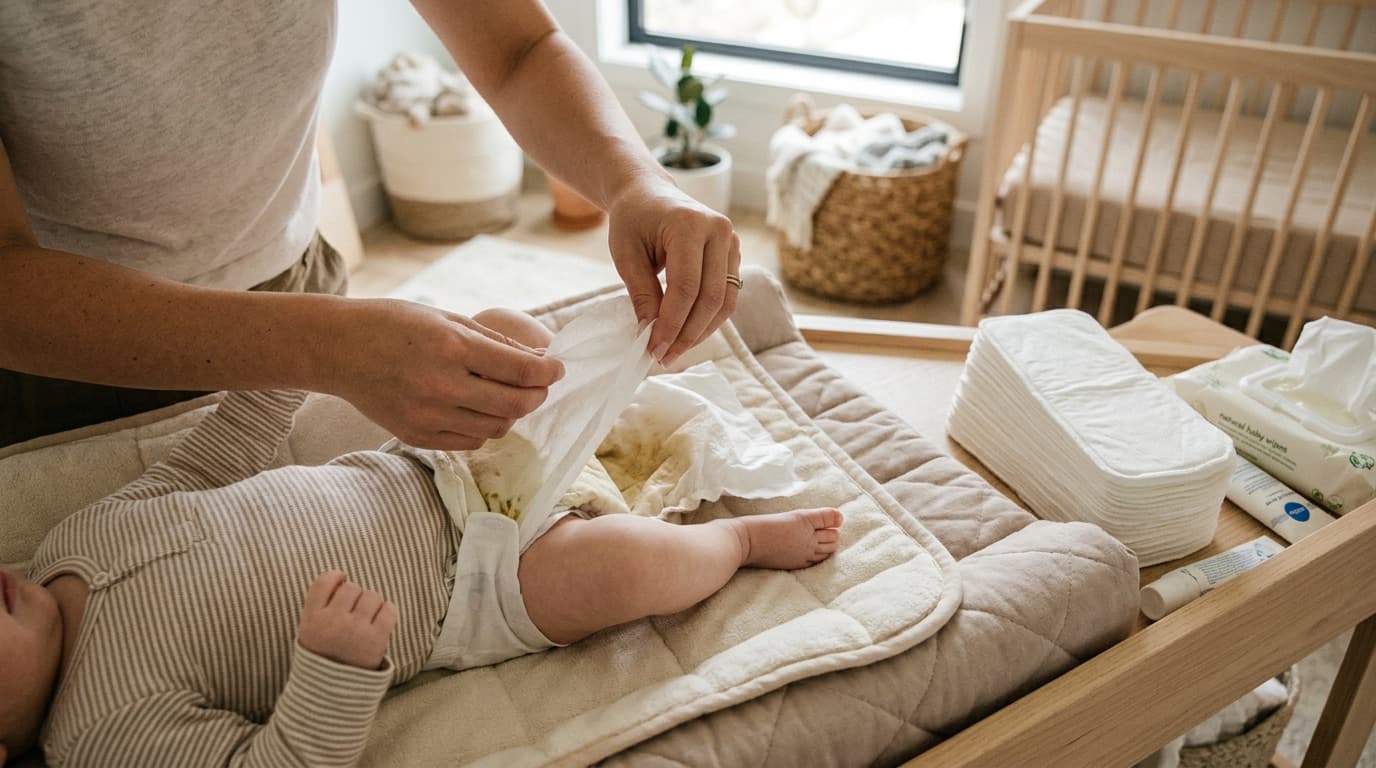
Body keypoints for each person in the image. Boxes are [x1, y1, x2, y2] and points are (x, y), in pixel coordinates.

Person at [0, 307, 842, 766]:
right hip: (475, 587)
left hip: (423, 471)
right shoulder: (103, 732)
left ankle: (627, 382)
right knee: (617, 571)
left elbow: (203, 466)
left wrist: (277, 371)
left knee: (500, 332)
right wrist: (332, 665)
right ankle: (737, 545)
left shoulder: (73, 541)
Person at [0, 0, 742, 448]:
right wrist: (329, 345)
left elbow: (518, 49)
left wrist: (637, 182)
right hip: (63, 368)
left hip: (299, 281)